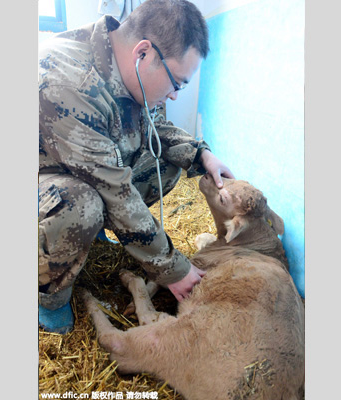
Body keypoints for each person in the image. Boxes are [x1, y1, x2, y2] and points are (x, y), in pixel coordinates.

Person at [38, 0, 234, 333]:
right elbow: (114, 191)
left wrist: (201, 154)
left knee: (168, 162)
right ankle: (47, 297)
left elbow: (154, 131)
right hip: (47, 178)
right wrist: (173, 269)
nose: (174, 96)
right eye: (177, 83)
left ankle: (91, 233)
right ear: (144, 53)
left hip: (90, 169)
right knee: (82, 205)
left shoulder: (133, 70)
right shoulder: (68, 82)